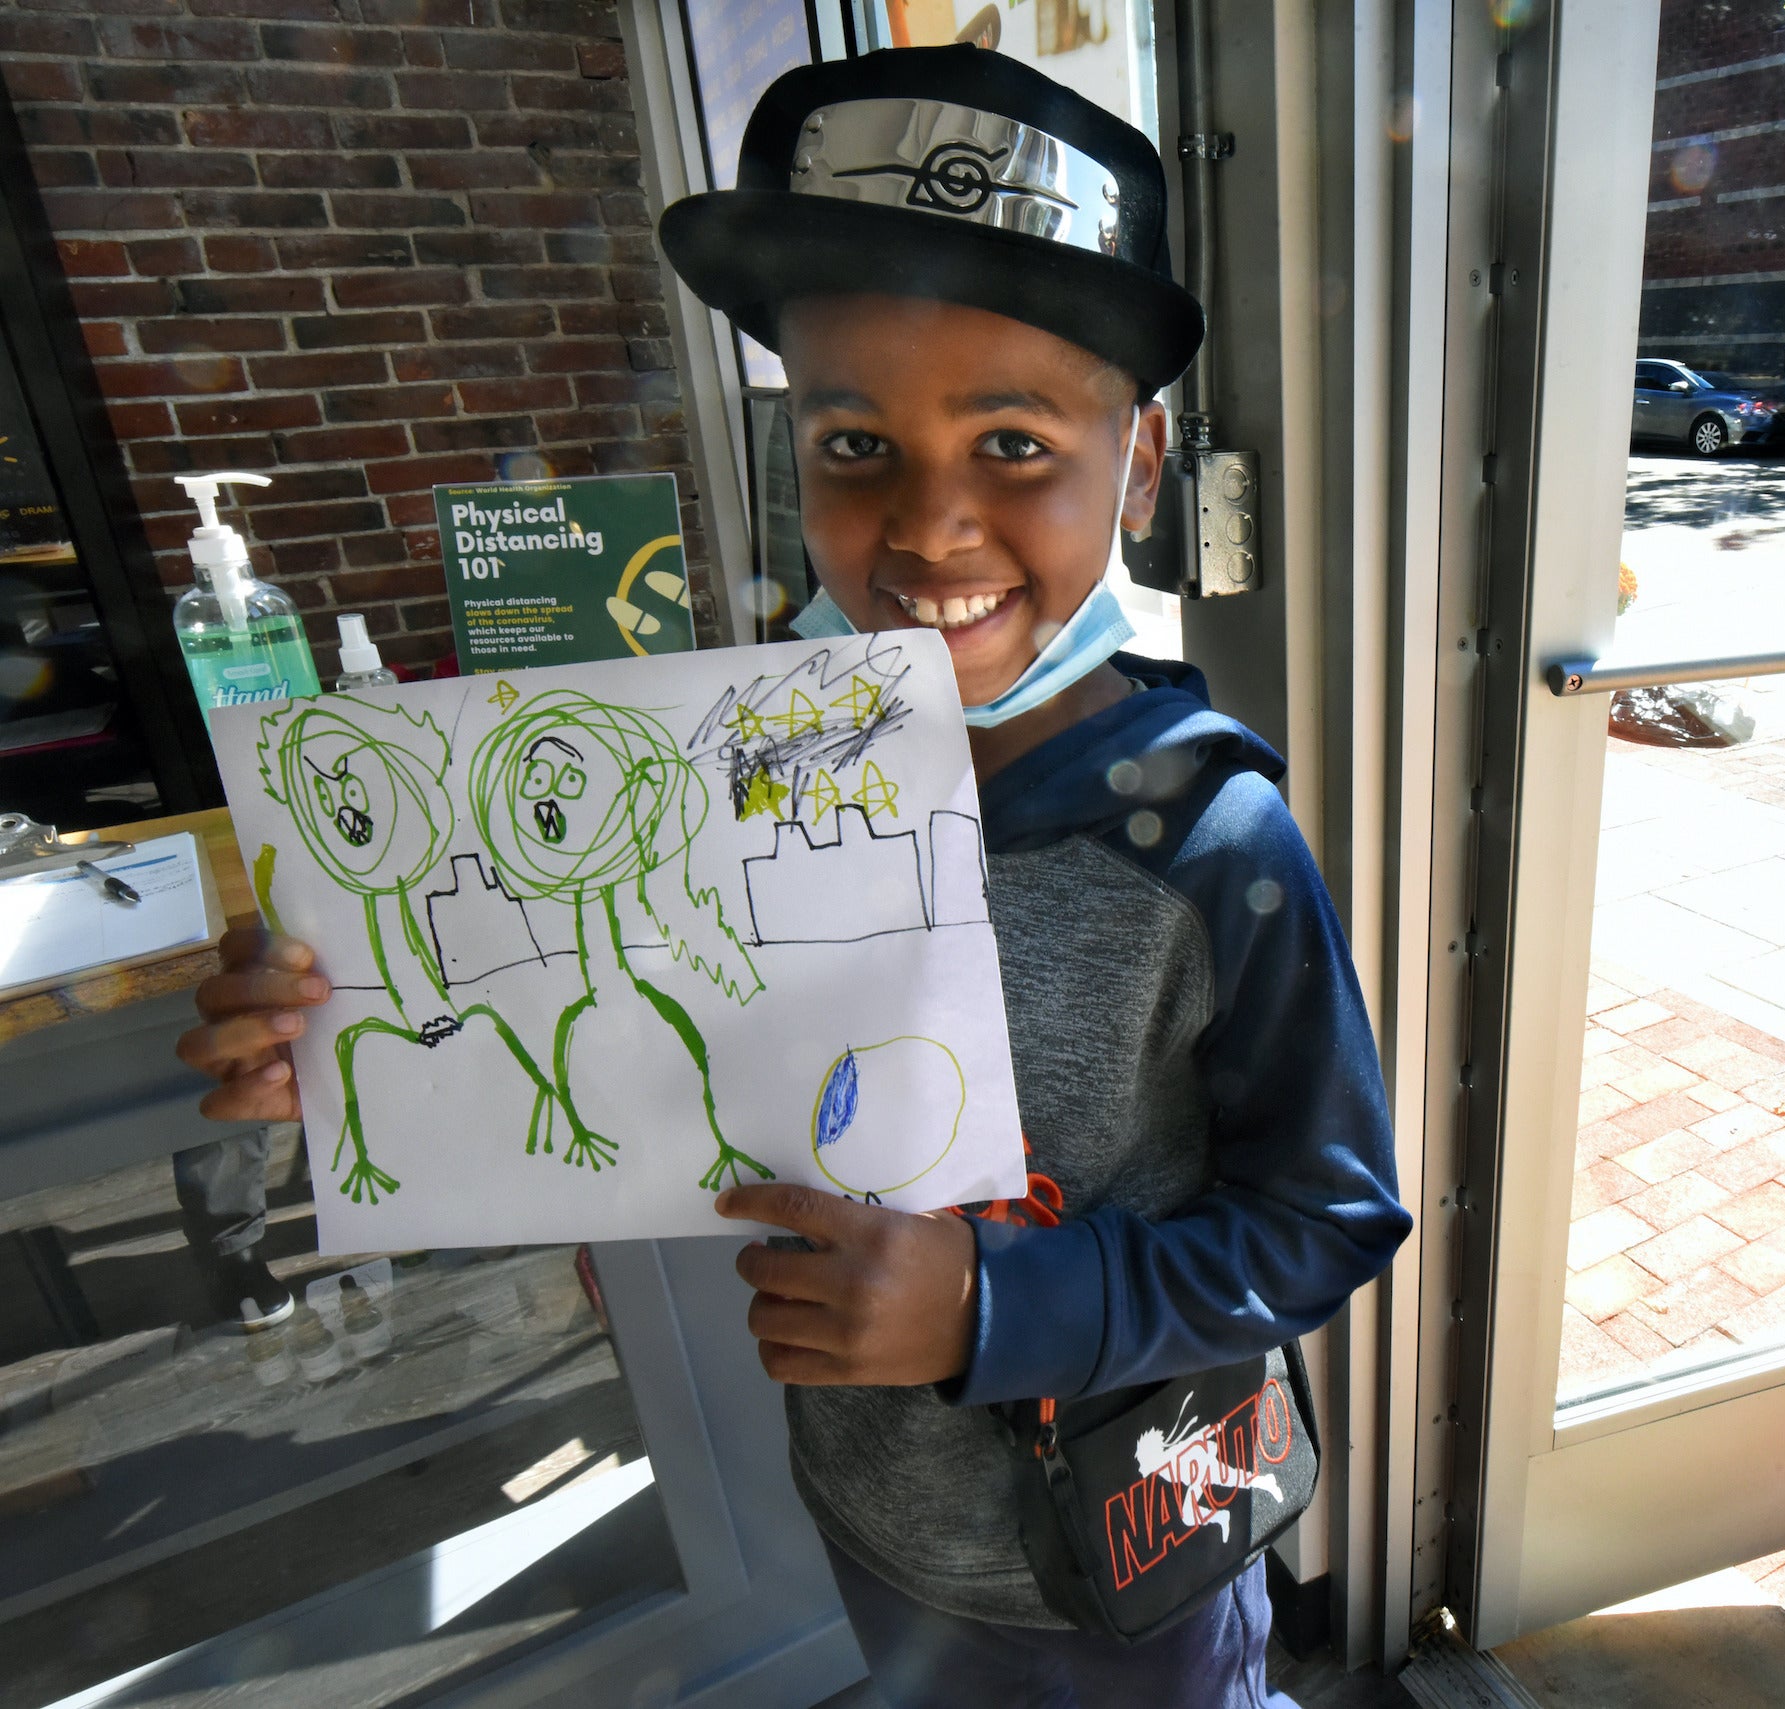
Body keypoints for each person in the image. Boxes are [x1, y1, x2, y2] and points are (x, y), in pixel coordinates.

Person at [177, 45, 1409, 1709]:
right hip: (872, 1514)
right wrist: (349, 1045)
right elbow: (606, 1033)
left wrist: (997, 1299)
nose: (932, 527)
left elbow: (1327, 1212)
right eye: (855, 442)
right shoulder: (746, 775)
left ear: (1140, 460)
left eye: (1018, 439)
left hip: (1144, 1546)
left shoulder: (1206, 842)